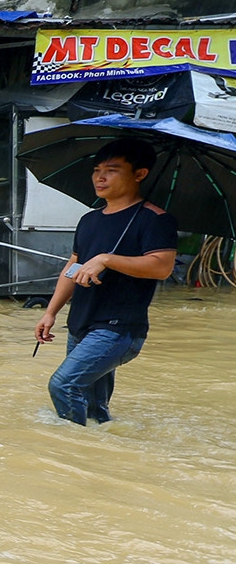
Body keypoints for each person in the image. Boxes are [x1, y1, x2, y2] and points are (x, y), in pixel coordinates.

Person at [34, 139, 178, 425]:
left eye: (112, 170)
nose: (100, 177)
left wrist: (108, 259)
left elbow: (162, 267)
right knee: (93, 409)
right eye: (97, 169)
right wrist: (51, 312)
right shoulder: (89, 220)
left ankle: (70, 449)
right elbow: (73, 267)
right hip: (81, 323)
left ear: (140, 174)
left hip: (117, 329)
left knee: (63, 385)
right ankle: (97, 452)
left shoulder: (155, 219)